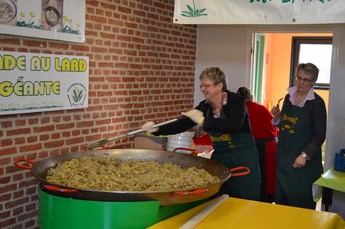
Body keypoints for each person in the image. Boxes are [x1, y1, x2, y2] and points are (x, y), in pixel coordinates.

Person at [143, 67, 261, 201]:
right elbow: (182, 123)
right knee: (218, 199)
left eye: (207, 85)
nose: (203, 89)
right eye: (202, 85)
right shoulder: (205, 106)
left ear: (219, 86)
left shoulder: (236, 101)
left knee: (243, 199)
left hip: (243, 157)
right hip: (220, 158)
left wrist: (203, 121)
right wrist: (157, 129)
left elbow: (234, 125)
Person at [271, 62, 327, 209]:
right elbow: (284, 125)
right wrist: (277, 117)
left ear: (313, 82)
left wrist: (304, 155)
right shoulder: (288, 98)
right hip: (284, 160)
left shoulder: (316, 104)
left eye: (306, 80)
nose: (301, 83)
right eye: (299, 78)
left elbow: (319, 135)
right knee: (282, 206)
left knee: (300, 208)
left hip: (304, 166)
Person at [237, 87, 279, 203]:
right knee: (269, 180)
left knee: (256, 180)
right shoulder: (262, 108)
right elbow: (275, 129)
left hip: (251, 148)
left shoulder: (238, 111)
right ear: (251, 97)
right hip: (270, 147)